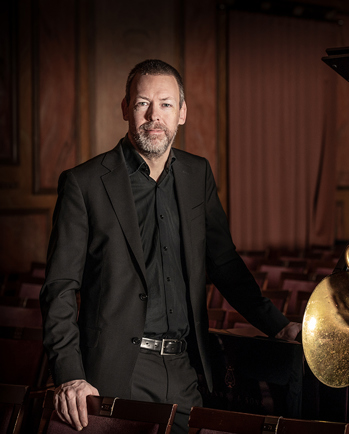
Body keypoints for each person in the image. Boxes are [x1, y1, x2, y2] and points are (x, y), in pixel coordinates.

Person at [40, 59, 301, 433]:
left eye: (165, 104)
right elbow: (60, 288)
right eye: (142, 103)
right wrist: (69, 375)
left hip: (184, 370)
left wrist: (276, 325)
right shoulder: (85, 184)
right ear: (126, 109)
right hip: (115, 373)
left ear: (182, 113)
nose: (153, 116)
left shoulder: (198, 174)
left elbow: (224, 263)